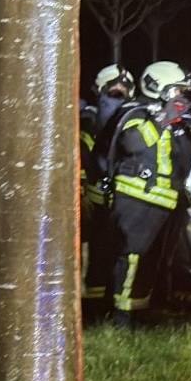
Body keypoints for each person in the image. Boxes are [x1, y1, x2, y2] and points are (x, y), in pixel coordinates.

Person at [101, 60, 191, 327]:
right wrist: (165, 119)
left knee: (149, 261)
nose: (181, 96)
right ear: (159, 87)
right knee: (131, 257)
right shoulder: (134, 112)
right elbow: (135, 142)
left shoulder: (171, 119)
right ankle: (120, 317)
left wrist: (189, 133)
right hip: (136, 197)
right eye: (177, 90)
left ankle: (140, 311)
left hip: (162, 200)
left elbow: (182, 161)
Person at [81, 65, 136, 322]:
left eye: (122, 93)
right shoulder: (87, 122)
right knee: (96, 255)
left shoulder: (131, 121)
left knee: (114, 253)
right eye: (113, 93)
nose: (117, 98)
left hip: (118, 199)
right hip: (93, 200)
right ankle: (90, 310)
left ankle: (104, 305)